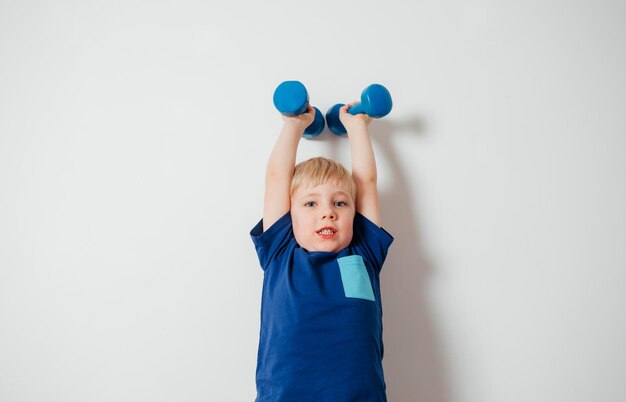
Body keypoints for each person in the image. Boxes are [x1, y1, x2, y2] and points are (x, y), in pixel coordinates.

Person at [250, 102, 394, 401]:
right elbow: (276, 178)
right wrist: (295, 125)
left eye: (340, 203)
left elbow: (365, 183)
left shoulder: (364, 251)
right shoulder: (280, 251)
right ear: (291, 215)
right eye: (311, 204)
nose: (327, 213)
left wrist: (357, 127)